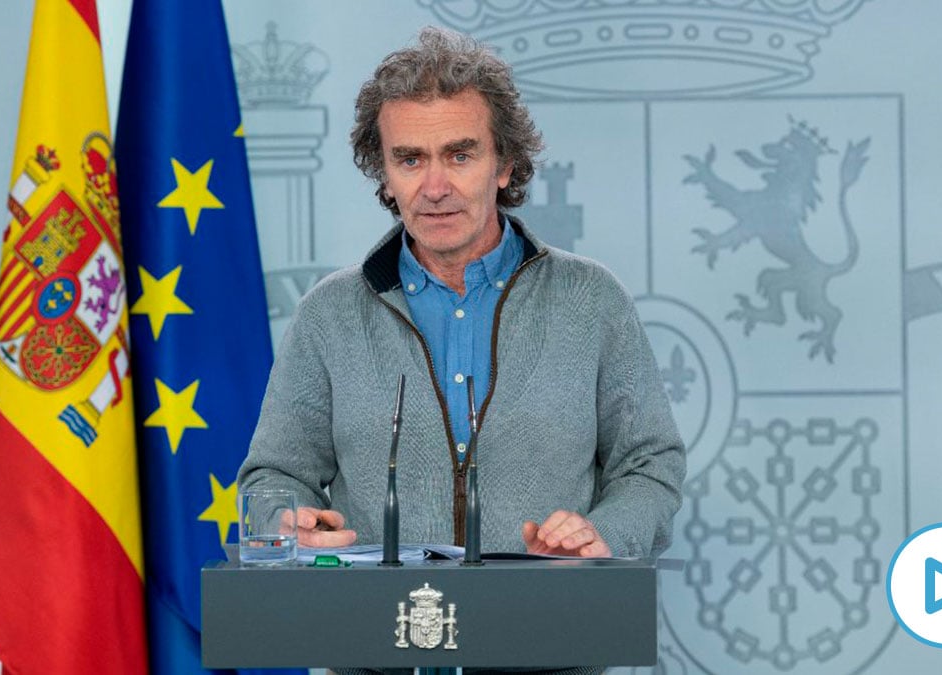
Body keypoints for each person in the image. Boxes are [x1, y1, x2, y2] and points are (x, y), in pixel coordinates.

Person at [238, 26, 685, 560]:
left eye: (459, 155)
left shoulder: (592, 300)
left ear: (505, 165)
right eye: (409, 159)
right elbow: (274, 477)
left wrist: (605, 534)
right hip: (376, 632)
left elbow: (650, 465)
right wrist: (287, 519)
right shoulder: (328, 314)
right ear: (384, 176)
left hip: (550, 625)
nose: (433, 187)